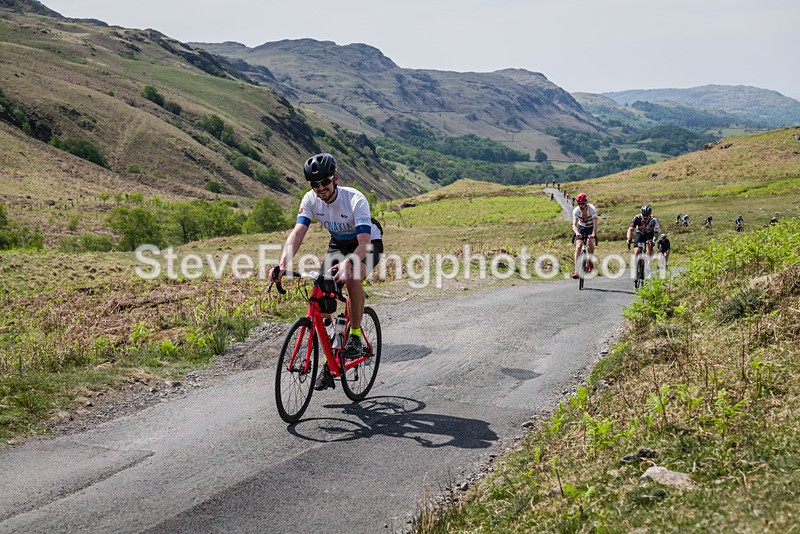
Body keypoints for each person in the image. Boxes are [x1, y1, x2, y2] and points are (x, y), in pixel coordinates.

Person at [273, 153, 384, 390]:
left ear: (335, 178)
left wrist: (350, 261)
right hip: (338, 244)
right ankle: (331, 358)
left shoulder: (355, 199)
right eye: (315, 184)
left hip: (367, 243)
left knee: (353, 276)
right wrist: (282, 264)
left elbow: (364, 243)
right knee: (320, 296)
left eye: (325, 182)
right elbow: (297, 233)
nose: (321, 188)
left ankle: (354, 335)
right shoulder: (311, 199)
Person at [571, 193, 598, 279]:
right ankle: (576, 270)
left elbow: (595, 223)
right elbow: (574, 224)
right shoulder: (576, 211)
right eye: (579, 203)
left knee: (590, 243)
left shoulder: (592, 209)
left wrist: (593, 234)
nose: (580, 205)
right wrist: (576, 232)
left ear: (586, 203)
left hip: (590, 227)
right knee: (578, 246)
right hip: (581, 227)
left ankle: (590, 261)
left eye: (582, 203)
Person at [627, 205, 660, 276]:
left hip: (649, 234)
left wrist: (654, 240)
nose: (645, 217)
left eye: (647, 215)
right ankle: (635, 270)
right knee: (636, 251)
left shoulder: (654, 220)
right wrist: (629, 238)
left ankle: (648, 266)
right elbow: (630, 229)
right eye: (644, 215)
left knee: (649, 249)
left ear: (650, 214)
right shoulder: (637, 217)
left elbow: (656, 233)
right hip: (640, 233)